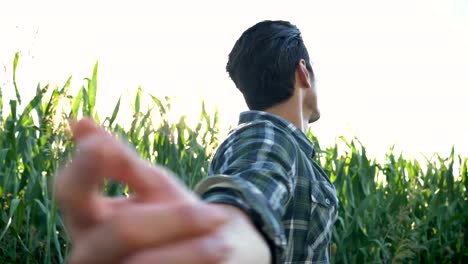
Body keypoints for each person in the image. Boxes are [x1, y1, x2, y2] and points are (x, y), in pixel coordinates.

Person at [55, 20, 338, 264]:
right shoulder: (266, 135)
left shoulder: (284, 147)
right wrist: (222, 244)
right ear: (303, 71)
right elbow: (244, 210)